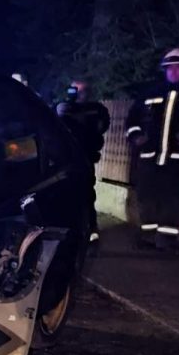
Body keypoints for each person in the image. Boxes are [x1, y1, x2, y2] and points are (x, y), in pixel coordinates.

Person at [124, 49, 179, 250]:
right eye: (169, 68)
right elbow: (132, 120)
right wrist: (136, 136)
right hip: (150, 156)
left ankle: (166, 239)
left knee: (173, 198)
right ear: (164, 70)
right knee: (147, 195)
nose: (173, 72)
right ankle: (147, 235)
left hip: (178, 158)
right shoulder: (150, 94)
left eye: (178, 68)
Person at [56, 79, 110, 242]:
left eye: (82, 90)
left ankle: (90, 227)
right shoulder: (63, 107)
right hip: (65, 159)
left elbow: (101, 127)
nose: (79, 94)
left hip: (85, 157)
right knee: (65, 193)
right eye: (74, 90)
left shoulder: (96, 109)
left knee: (86, 193)